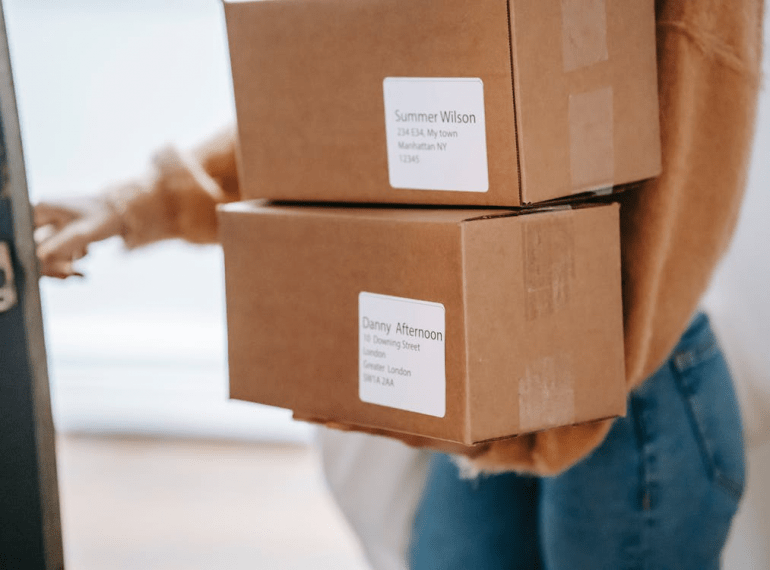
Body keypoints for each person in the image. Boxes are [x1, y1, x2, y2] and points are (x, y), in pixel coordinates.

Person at [35, 0, 764, 567]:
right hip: (504, 383)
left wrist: (561, 370)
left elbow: (690, 129)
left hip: (633, 386)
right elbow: (360, 113)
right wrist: (140, 205)